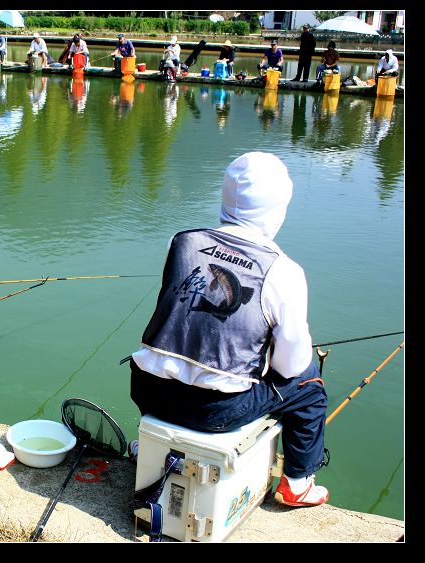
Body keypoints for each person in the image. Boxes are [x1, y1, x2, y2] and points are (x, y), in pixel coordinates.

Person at [129, 151, 330, 508]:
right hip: (216, 412)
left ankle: (149, 443)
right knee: (310, 385)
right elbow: (290, 367)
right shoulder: (284, 272)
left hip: (148, 390)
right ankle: (297, 481)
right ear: (278, 208)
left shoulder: (180, 242)